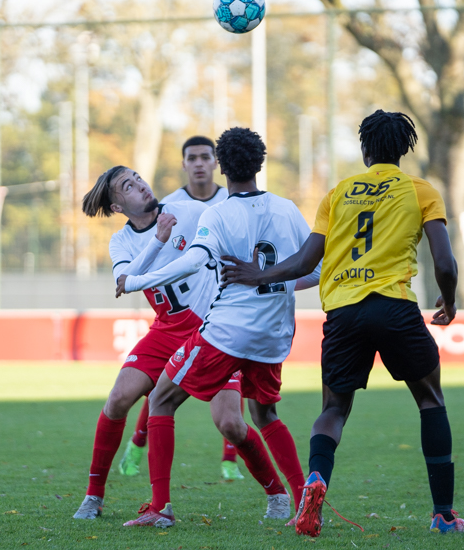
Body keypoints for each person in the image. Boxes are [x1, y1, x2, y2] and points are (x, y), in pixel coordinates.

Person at [220, 110, 464, 536]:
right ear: (404, 149)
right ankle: (444, 515)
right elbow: (444, 262)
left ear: (365, 149)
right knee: (430, 400)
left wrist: (256, 274)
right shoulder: (420, 190)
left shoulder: (338, 193)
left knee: (333, 410)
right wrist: (448, 299)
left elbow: (304, 261)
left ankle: (315, 482)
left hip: (343, 313)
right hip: (395, 307)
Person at [118, 128, 318, 528]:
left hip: (227, 331)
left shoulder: (220, 212)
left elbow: (192, 261)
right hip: (275, 334)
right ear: (260, 163)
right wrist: (272, 280)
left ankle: (160, 509)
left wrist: (135, 280)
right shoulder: (287, 209)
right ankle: (300, 501)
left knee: (161, 399)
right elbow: (314, 271)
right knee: (265, 414)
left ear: (221, 166)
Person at [73, 166, 229, 520]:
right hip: (165, 329)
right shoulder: (121, 241)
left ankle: (279, 494)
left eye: (138, 177)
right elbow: (126, 281)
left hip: (207, 329)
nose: (140, 185)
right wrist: (158, 239)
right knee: (117, 400)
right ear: (117, 207)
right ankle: (93, 497)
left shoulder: (185, 212)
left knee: (231, 422)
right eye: (128, 186)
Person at [120, 135, 241, 481]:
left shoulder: (230, 198)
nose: (200, 163)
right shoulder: (169, 206)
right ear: (184, 164)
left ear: (216, 162)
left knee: (232, 388)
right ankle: (138, 442)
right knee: (161, 386)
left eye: (206, 157)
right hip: (180, 318)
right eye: (193, 158)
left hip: (223, 311)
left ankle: (229, 461)